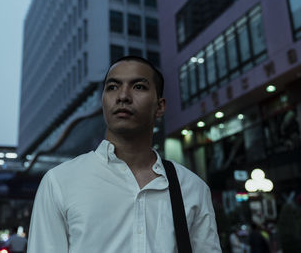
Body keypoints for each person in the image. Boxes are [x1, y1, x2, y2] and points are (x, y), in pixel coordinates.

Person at [27, 56, 222, 252]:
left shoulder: (192, 188)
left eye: (138, 87)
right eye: (112, 87)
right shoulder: (60, 182)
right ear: (103, 100)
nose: (123, 96)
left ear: (160, 106)